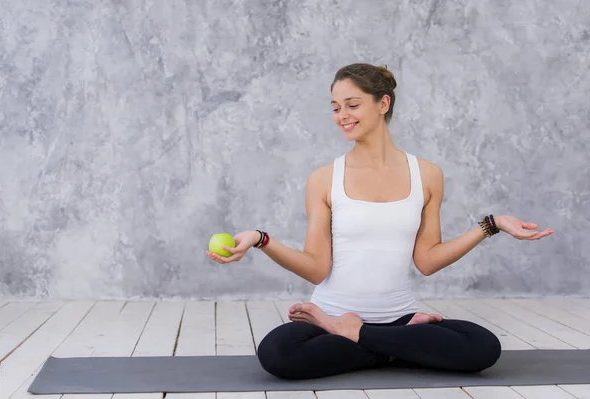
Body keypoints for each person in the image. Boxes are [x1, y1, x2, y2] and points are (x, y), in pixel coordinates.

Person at [205, 63, 554, 380]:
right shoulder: (324, 178)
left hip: (399, 317)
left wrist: (490, 225)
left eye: (352, 105)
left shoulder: (427, 175)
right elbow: (315, 268)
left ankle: (360, 337)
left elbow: (428, 261)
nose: (342, 115)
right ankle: (392, 346)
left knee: (484, 346)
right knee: (277, 353)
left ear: (383, 104)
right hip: (328, 317)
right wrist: (260, 239)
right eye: (335, 107)